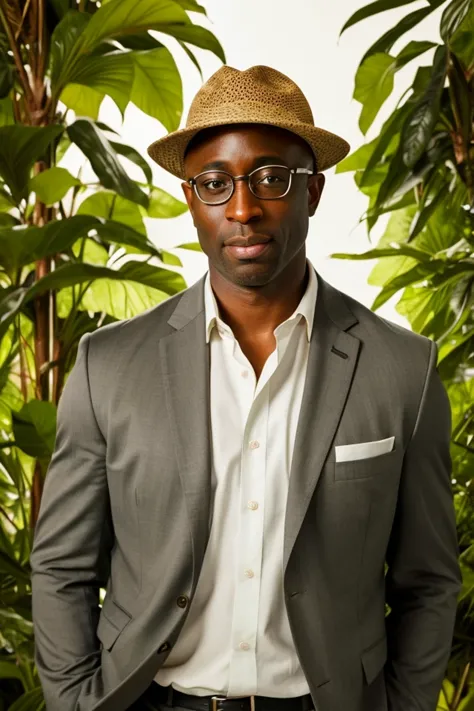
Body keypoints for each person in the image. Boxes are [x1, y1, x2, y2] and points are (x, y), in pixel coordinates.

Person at [31, 65, 462, 711]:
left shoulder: (403, 370)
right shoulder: (107, 367)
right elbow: (64, 566)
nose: (242, 208)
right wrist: (73, 701)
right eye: (215, 182)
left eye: (271, 177)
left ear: (313, 191)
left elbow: (428, 582)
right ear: (190, 197)